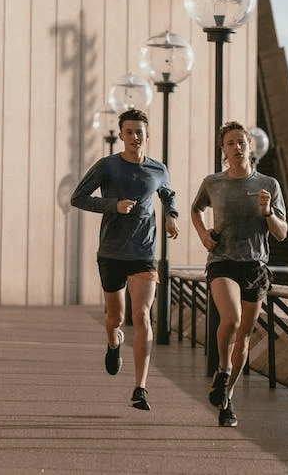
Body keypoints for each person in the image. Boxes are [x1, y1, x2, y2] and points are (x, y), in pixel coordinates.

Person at [70, 108, 179, 411]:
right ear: (120, 135)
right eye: (128, 132)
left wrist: (171, 216)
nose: (134, 137)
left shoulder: (158, 169)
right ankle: (113, 341)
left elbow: (168, 194)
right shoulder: (107, 166)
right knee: (114, 317)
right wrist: (112, 206)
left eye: (139, 132)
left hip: (144, 253)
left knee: (142, 315)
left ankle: (140, 388)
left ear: (147, 134)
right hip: (111, 252)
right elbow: (77, 197)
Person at [190, 120, 288, 427]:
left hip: (255, 267)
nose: (236, 148)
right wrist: (204, 235)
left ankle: (227, 399)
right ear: (223, 150)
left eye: (241, 142)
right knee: (229, 320)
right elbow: (196, 210)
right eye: (230, 143)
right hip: (222, 262)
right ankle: (222, 368)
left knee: (244, 337)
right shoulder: (213, 183)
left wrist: (269, 212)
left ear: (250, 147)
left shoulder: (268, 185)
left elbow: (282, 234)